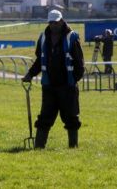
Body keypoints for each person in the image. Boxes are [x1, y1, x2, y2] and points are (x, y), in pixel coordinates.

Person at [22, 10, 84, 149]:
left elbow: (79, 63)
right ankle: (39, 146)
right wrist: (30, 74)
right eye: (51, 22)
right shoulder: (43, 37)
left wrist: (74, 80)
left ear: (62, 21)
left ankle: (73, 146)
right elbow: (40, 60)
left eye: (56, 22)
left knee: (71, 117)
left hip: (67, 86)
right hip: (49, 86)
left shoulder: (72, 37)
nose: (53, 25)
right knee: (45, 117)